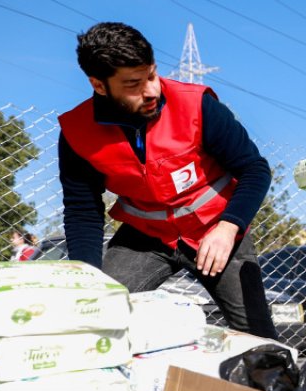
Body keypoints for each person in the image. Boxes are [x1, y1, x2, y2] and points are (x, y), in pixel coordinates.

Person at [58, 22, 278, 339]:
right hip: (145, 237)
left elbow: (255, 169)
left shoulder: (197, 105)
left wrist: (229, 228)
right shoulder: (77, 133)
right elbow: (82, 210)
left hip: (215, 228)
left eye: (152, 74)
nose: (151, 90)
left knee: (258, 338)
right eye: (134, 84)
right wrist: (88, 277)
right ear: (100, 85)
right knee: (97, 320)